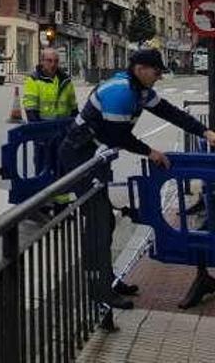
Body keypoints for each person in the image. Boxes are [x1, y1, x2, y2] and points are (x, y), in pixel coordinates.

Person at [58, 49, 215, 310]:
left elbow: (168, 112)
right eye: (156, 71)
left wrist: (204, 131)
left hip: (94, 156)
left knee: (104, 220)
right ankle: (99, 290)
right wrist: (151, 152)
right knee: (100, 221)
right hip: (80, 157)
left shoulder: (139, 90)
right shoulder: (121, 92)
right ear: (141, 68)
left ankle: (107, 279)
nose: (159, 76)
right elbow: (118, 136)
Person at [23, 48, 78, 213]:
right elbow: (31, 109)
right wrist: (39, 132)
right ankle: (43, 204)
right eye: (49, 61)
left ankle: (61, 205)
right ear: (42, 61)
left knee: (63, 167)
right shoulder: (34, 80)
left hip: (63, 132)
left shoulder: (65, 80)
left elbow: (73, 108)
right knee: (42, 167)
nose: (53, 64)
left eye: (55, 61)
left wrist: (76, 129)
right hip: (44, 132)